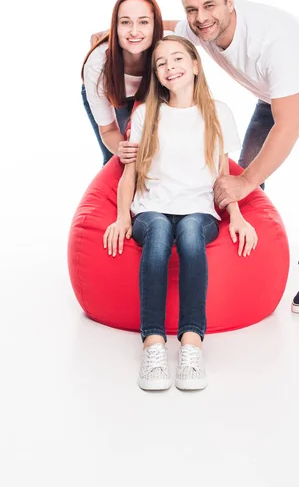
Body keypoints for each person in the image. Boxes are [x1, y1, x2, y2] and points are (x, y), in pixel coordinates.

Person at [152, 0, 299, 314]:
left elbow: (288, 127)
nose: (201, 18)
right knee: (246, 168)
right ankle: (253, 248)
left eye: (210, 6)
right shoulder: (199, 27)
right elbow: (168, 29)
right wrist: (112, 35)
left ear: (231, 3)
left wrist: (246, 182)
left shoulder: (271, 39)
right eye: (192, 10)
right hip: (276, 92)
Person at [103, 35, 258, 391]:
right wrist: (122, 216)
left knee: (190, 237)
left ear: (195, 65)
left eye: (177, 59)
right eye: (161, 63)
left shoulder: (219, 113)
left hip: (199, 211)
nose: (170, 67)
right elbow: (131, 174)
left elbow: (224, 175)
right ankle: (153, 345)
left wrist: (236, 215)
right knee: (158, 234)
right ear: (156, 74)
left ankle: (191, 344)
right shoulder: (146, 114)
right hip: (151, 209)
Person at [81, 0, 164, 165]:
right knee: (118, 159)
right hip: (112, 93)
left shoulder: (168, 50)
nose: (134, 31)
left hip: (146, 95)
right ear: (115, 27)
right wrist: (121, 149)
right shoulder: (97, 66)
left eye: (143, 22)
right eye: (126, 22)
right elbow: (108, 130)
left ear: (155, 25)